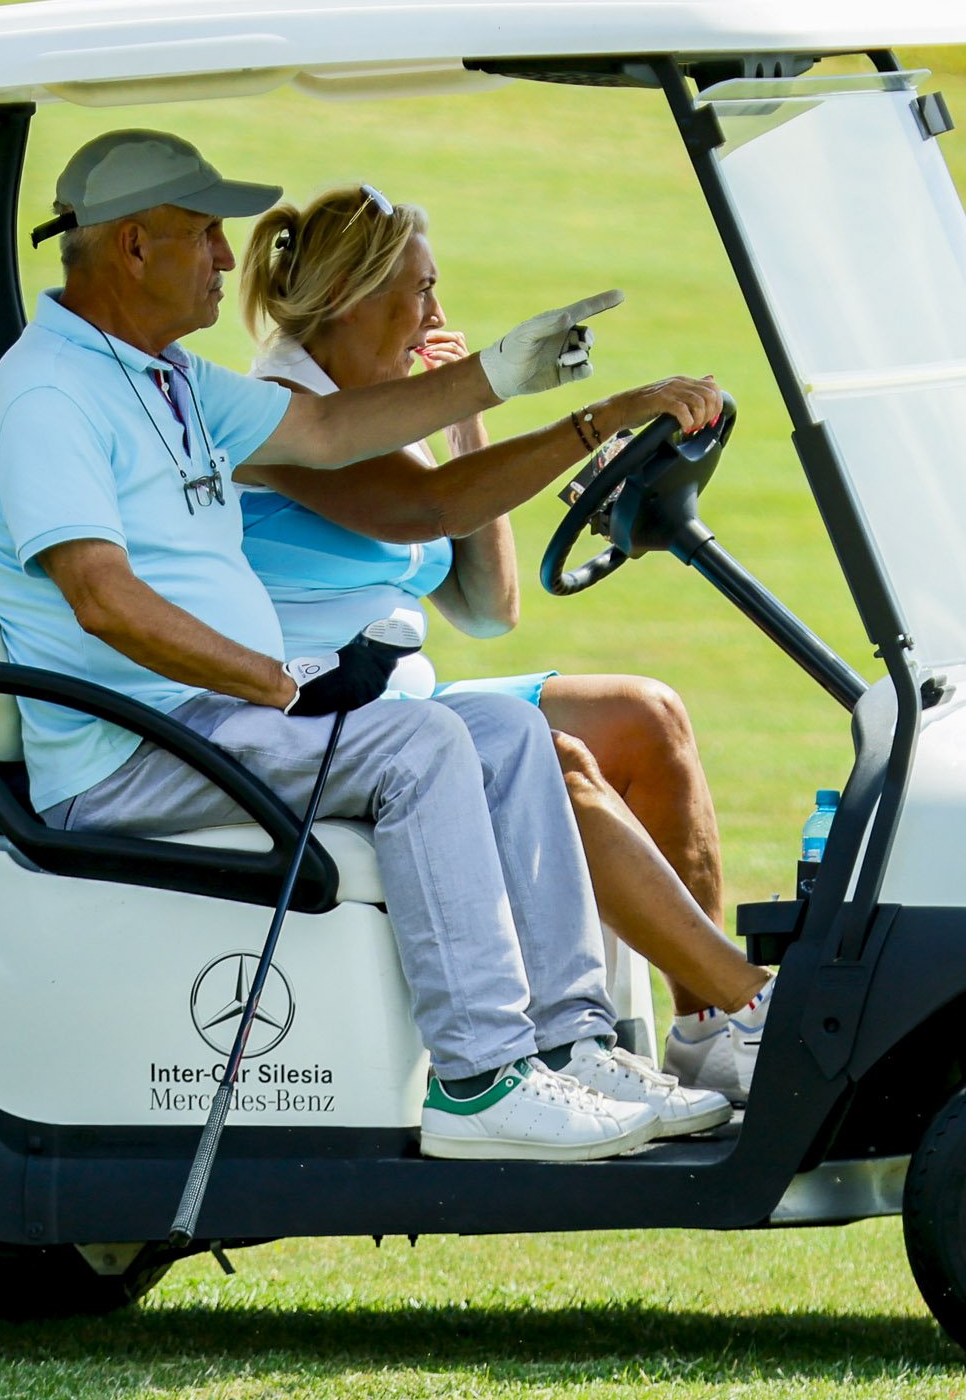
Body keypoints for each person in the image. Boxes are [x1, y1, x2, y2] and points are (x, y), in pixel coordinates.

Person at [0, 129, 721, 1160]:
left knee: (498, 726)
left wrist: (511, 379)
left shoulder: (162, 377)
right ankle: (481, 1077)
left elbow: (328, 430)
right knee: (421, 743)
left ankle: (568, 1042)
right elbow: (103, 599)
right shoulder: (51, 395)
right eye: (205, 236)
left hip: (207, 720)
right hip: (136, 747)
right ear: (134, 246)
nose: (229, 261)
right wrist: (270, 678)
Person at [230, 183, 775, 1103]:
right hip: (328, 718)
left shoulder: (374, 409)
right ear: (352, 301)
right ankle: (751, 999)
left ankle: (708, 1035)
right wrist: (596, 417)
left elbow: (488, 608)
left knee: (646, 717)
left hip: (399, 701)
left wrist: (458, 418)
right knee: (558, 765)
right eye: (421, 293)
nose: (437, 317)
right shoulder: (285, 411)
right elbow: (431, 506)